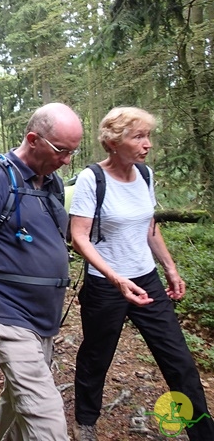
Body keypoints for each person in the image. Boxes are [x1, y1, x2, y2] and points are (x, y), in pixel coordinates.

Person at [69, 107, 214, 441]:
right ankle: (86, 422)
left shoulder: (145, 175)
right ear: (114, 142)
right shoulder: (94, 179)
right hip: (106, 285)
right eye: (138, 136)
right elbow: (79, 237)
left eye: (147, 135)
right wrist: (115, 277)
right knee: (96, 356)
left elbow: (149, 228)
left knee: (179, 360)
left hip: (146, 280)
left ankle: (202, 434)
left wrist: (170, 268)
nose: (147, 143)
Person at [0, 103, 82, 440]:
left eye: (72, 152)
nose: (67, 160)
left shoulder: (49, 181)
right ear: (33, 139)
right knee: (46, 417)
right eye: (61, 150)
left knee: (17, 403)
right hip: (6, 313)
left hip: (44, 318)